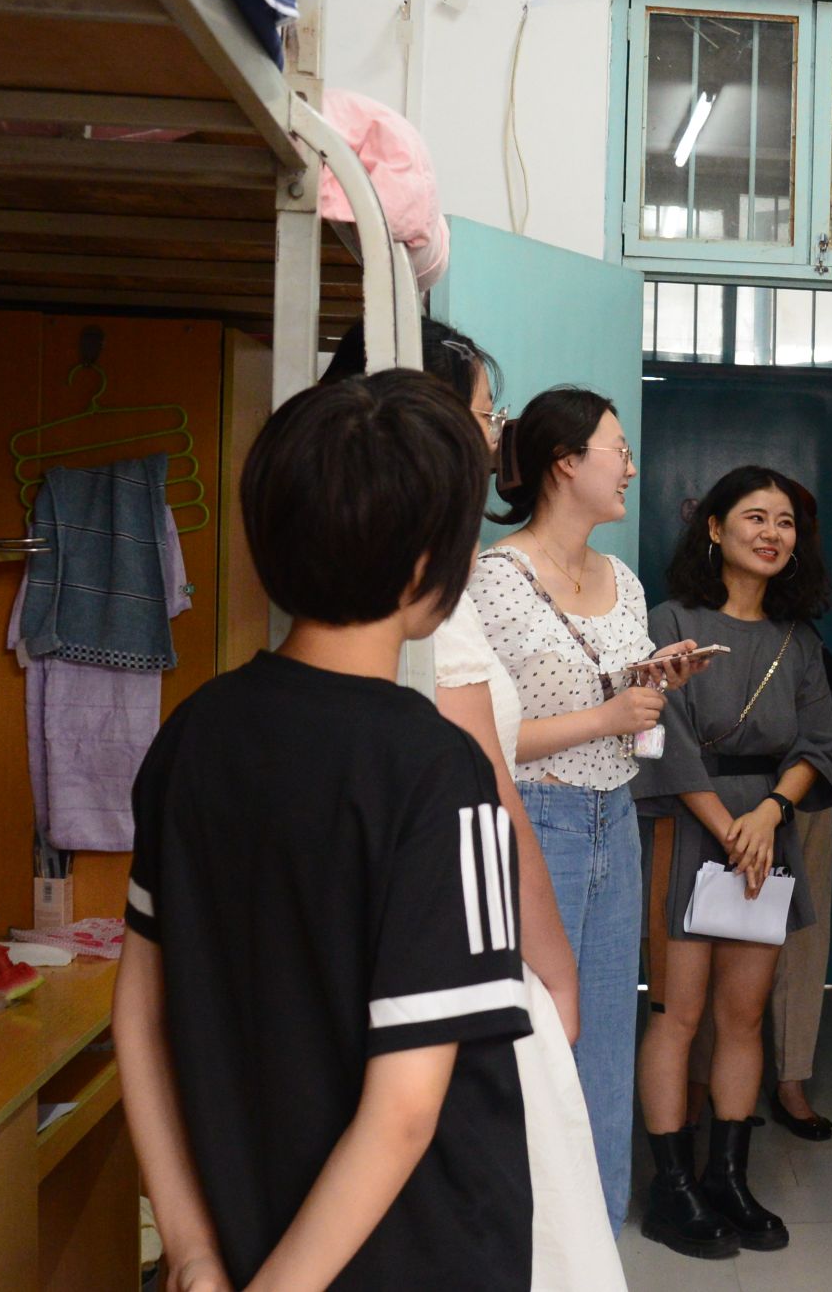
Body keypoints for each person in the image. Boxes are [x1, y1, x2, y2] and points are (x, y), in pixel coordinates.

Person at [114, 375, 531, 1290]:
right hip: (417, 1258)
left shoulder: (194, 733)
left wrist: (191, 1249)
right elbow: (407, 1111)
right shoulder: (442, 772)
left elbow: (137, 1019)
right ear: (428, 565)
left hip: (240, 1237)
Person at [321, 324, 629, 1288]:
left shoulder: (410, 589)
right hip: (476, 876)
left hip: (573, 826)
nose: (495, 440)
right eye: (486, 417)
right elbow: (489, 774)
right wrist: (554, 961)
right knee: (484, 1152)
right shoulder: (449, 592)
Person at [470, 386, 693, 1235]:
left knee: (604, 1040)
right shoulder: (494, 580)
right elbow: (481, 739)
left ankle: (594, 1242)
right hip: (536, 821)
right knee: (535, 1042)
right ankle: (527, 1247)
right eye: (617, 450)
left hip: (616, 817)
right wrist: (605, 716)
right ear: (565, 463)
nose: (630, 466)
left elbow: (618, 708)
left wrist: (651, 683)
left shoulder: (624, 581)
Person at [637, 465, 832, 1258]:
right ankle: (671, 1186)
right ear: (715, 528)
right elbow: (661, 737)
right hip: (690, 826)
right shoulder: (671, 619)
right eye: (755, 517)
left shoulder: (800, 639)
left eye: (785, 521)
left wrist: (769, 813)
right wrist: (729, 825)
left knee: (742, 1016)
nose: (772, 532)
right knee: (678, 1012)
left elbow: (818, 747)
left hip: (764, 836)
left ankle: (727, 1175)